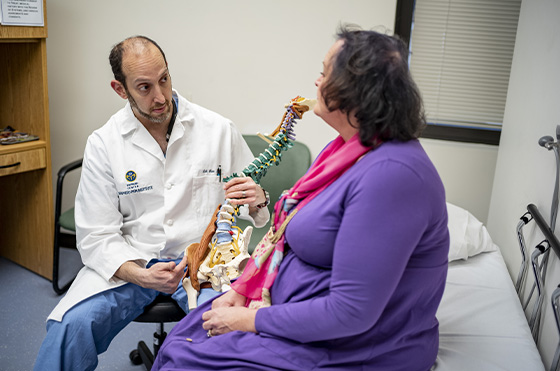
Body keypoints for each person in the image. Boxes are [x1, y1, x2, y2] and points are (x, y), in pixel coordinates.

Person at [152, 27, 450, 371]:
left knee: (185, 361)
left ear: (353, 91)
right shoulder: (348, 149)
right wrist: (244, 292)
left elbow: (351, 313)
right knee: (184, 337)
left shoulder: (393, 177)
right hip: (293, 317)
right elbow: (288, 230)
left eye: (325, 73)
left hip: (355, 347)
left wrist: (247, 320)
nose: (317, 83)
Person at [34, 36, 270, 371]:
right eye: (144, 87)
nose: (160, 97)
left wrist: (259, 199)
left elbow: (251, 208)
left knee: (234, 336)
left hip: (205, 266)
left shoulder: (217, 130)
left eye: (164, 79)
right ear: (120, 89)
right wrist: (140, 275)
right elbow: (95, 237)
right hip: (133, 262)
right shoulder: (105, 143)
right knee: (69, 329)